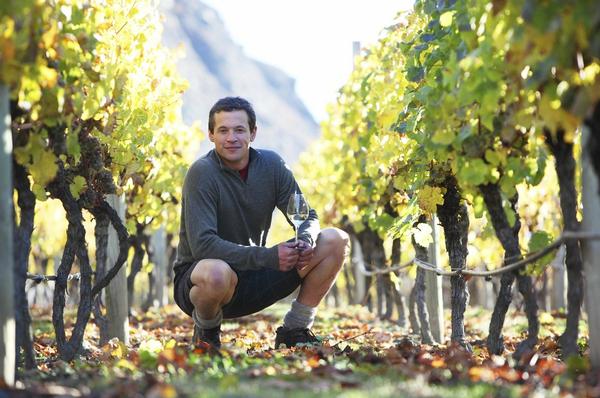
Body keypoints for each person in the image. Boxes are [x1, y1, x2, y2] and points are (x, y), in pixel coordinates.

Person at [173, 96, 348, 349]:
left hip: (253, 276)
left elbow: (306, 216)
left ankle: (295, 329)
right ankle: (207, 333)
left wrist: (306, 240)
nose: (231, 137)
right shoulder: (202, 173)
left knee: (335, 240)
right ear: (211, 135)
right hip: (203, 283)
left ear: (253, 133)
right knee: (216, 271)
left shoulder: (273, 166)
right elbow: (204, 246)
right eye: (223, 130)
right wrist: (269, 257)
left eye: (239, 130)